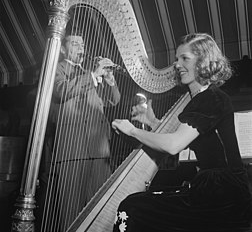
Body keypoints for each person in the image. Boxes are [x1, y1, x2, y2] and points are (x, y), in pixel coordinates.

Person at [112, 33, 252, 232]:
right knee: (137, 206)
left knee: (131, 208)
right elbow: (191, 136)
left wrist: (132, 130)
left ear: (203, 61)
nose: (176, 64)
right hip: (216, 188)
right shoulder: (202, 99)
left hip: (223, 194)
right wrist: (151, 121)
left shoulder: (211, 98)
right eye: (176, 59)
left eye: (185, 58)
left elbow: (174, 145)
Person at [40, 34, 121, 232]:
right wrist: (93, 75)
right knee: (72, 213)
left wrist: (110, 81)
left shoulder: (89, 73)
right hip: (72, 149)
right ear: (62, 49)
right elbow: (61, 90)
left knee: (104, 210)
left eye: (82, 44)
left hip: (99, 150)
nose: (80, 47)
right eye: (75, 44)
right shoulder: (55, 68)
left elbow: (113, 101)